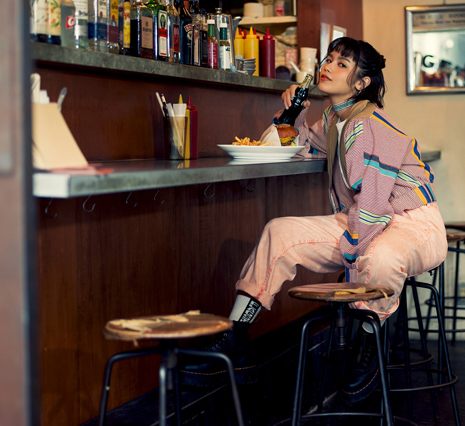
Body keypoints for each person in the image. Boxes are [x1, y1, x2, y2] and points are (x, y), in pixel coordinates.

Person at [182, 37, 448, 402]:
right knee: (279, 232)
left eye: (342, 64)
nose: (328, 66)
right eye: (329, 58)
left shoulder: (371, 127)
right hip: (364, 218)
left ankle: (369, 341)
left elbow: (373, 207)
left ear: (361, 83)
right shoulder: (336, 119)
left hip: (414, 223)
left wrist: (352, 261)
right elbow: (304, 148)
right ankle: (236, 339)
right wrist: (294, 114)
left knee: (380, 257)